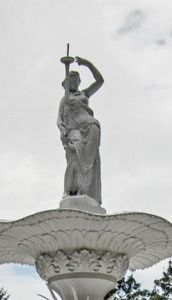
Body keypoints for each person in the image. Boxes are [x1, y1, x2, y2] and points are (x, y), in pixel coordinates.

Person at [57, 56, 104, 205]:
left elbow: (100, 81)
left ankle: (84, 191)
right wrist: (63, 130)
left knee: (89, 162)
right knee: (73, 161)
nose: (75, 82)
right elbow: (59, 119)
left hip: (91, 128)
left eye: (77, 80)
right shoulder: (65, 99)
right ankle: (68, 191)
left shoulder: (84, 94)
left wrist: (88, 64)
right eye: (72, 80)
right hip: (74, 131)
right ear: (67, 82)